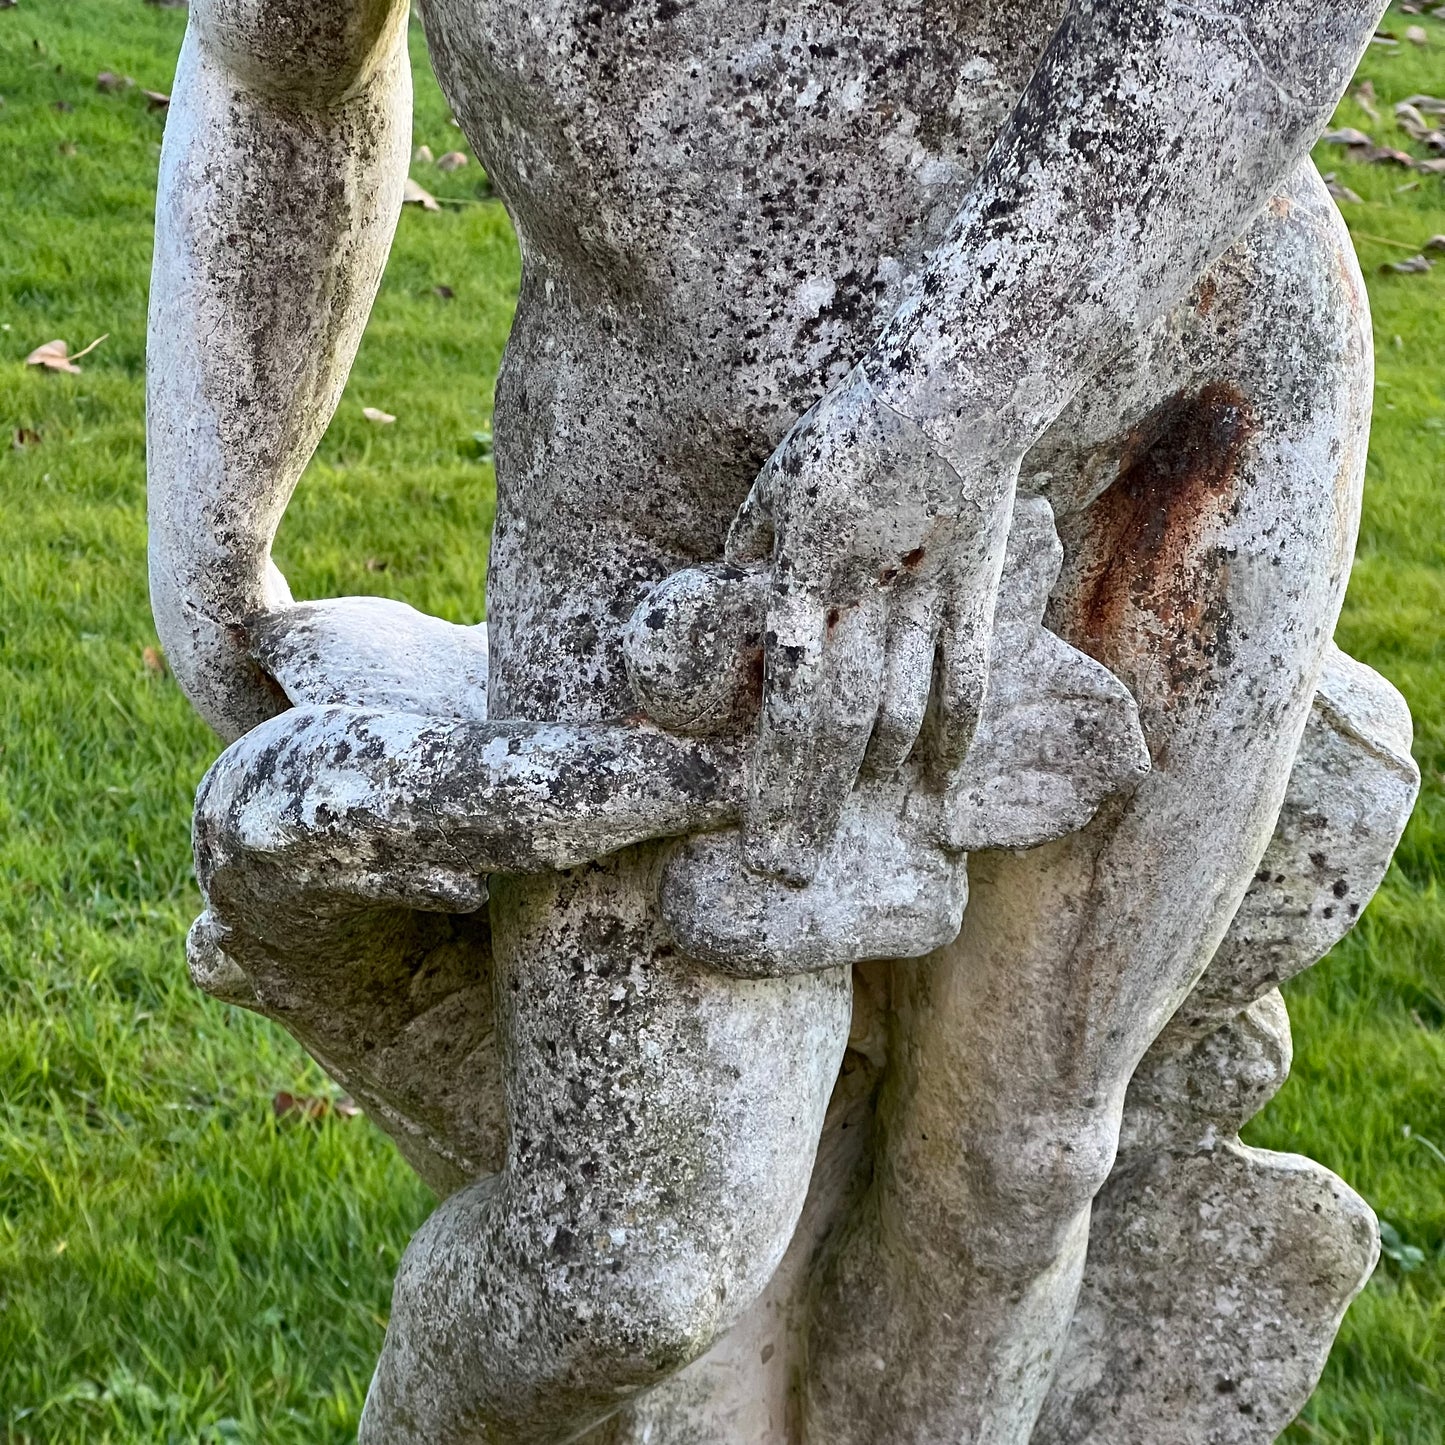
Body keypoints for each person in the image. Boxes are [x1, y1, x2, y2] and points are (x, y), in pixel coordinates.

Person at [148, 0, 1384, 1439]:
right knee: (623, 1269)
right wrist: (214, 529)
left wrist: (938, 416)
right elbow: (282, 66)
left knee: (1016, 1166)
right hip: (657, 503)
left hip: (1175, 408)